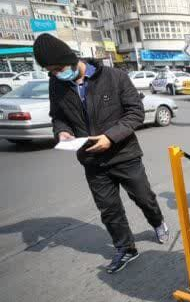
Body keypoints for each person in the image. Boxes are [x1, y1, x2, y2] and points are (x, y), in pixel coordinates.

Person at [33, 34, 169, 274]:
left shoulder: (115, 77)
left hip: (124, 154)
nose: (56, 74)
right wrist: (62, 132)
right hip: (92, 159)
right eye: (50, 71)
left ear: (72, 59)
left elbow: (135, 112)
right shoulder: (57, 84)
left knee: (144, 197)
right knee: (109, 209)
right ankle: (126, 248)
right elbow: (59, 116)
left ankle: (157, 222)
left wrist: (110, 137)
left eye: (58, 68)